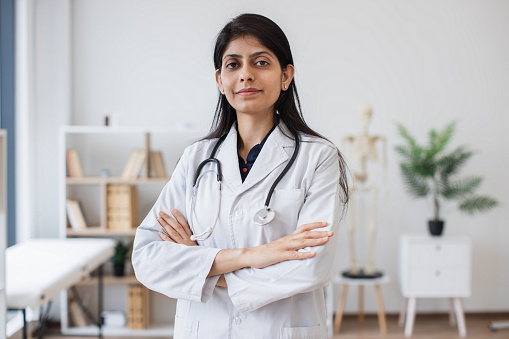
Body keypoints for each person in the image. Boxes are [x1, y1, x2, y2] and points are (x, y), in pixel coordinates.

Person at [132, 13, 349, 339]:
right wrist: (256, 256)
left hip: (279, 329)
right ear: (220, 80)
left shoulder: (318, 157)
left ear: (286, 75)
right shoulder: (197, 159)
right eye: (233, 65)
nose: (245, 75)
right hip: (205, 328)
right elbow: (148, 257)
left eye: (261, 62)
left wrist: (200, 266)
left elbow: (311, 266)